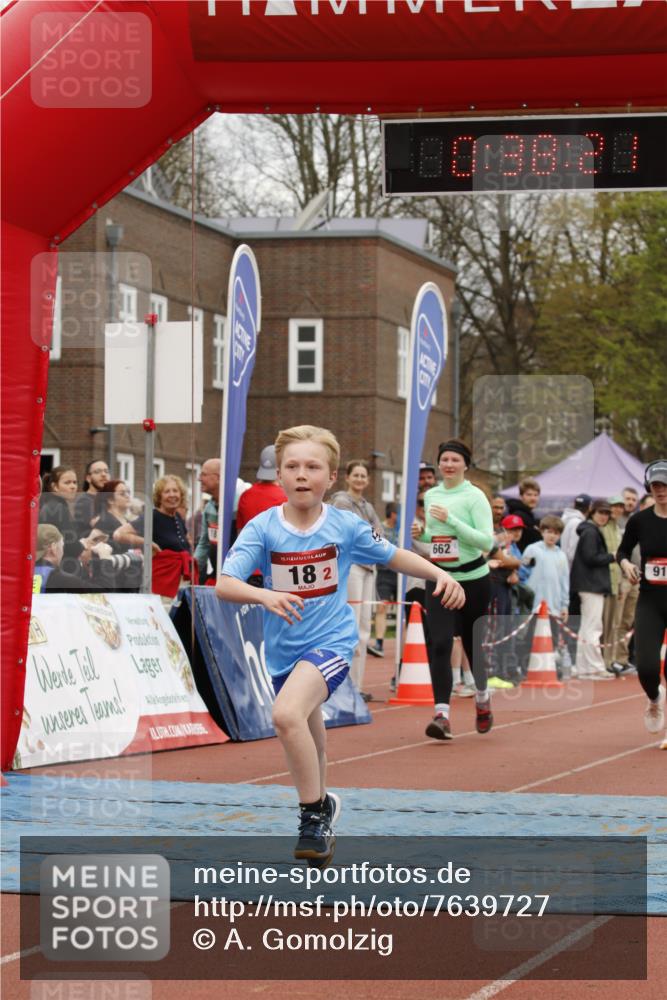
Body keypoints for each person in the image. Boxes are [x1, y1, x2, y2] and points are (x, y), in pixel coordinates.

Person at [216, 424, 464, 864]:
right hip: (282, 651)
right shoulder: (263, 527)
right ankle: (324, 807)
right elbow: (225, 583)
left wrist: (439, 573)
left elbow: (392, 554)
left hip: (330, 642)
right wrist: (265, 594)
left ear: (331, 477)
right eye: (292, 466)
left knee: (286, 715)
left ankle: (312, 816)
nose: (301, 474)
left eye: (312, 466)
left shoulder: (345, 525)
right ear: (280, 476)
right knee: (310, 736)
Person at [418, 439, 495, 739]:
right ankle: (442, 715)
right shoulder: (431, 495)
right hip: (440, 578)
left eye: (454, 460)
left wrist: (451, 519)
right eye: (444, 459)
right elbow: (437, 537)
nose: (448, 464)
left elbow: (486, 542)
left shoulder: (474, 497)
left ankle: (483, 699)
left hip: (473, 579)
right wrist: (422, 533)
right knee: (440, 644)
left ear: (465, 464)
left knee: (473, 646)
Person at [617, 460, 667, 750]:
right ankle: (654, 700)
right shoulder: (640, 521)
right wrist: (625, 564)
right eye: (656, 486)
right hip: (650, 600)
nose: (661, 491)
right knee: (646, 666)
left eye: (665, 486)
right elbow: (623, 550)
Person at [330, 459, 383, 702]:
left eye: (364, 476)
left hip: (369, 568)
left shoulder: (368, 506)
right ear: (347, 478)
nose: (360, 479)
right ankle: (343, 685)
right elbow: (352, 533)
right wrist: (368, 537)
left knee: (364, 629)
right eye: (356, 475)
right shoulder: (341, 502)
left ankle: (357, 686)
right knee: (349, 626)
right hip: (351, 566)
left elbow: (378, 534)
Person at [115, 474, 193, 599]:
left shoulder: (177, 517)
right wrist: (147, 543)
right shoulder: (152, 516)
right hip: (160, 586)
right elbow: (119, 534)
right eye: (167, 491)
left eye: (175, 491)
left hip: (179, 584)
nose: (172, 495)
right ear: (159, 497)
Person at [570, 500, 616, 681]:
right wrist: (612, 556)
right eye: (601, 512)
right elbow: (591, 557)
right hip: (591, 585)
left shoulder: (588, 530)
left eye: (607, 513)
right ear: (592, 512)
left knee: (586, 628)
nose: (604, 516)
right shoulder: (590, 532)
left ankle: (584, 668)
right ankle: (595, 668)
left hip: (587, 584)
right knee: (593, 627)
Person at [236, 445, 288, 586]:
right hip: (277, 569)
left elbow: (241, 534)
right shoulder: (285, 497)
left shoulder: (246, 495)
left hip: (249, 569)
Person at [39, 465, 101, 577]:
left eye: (75, 482)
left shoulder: (51, 505)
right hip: (64, 569)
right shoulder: (57, 508)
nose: (73, 486)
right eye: (67, 483)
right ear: (55, 487)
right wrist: (85, 544)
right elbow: (71, 545)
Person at [521, 514, 570, 644]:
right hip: (533, 606)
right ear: (542, 531)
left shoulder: (562, 555)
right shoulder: (532, 550)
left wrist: (564, 606)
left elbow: (564, 582)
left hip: (553, 606)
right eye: (549, 532)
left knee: (550, 641)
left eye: (556, 533)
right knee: (529, 639)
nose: (552, 536)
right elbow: (522, 574)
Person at [94, 480, 143, 590]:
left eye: (128, 492)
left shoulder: (126, 522)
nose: (127, 496)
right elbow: (97, 553)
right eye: (122, 493)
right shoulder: (104, 521)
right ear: (110, 500)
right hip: (115, 582)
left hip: (131, 579)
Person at [369, 502, 399, 657]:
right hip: (384, 574)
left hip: (401, 574)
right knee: (382, 607)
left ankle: (405, 645)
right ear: (393, 514)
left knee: (404, 610)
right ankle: (379, 643)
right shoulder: (381, 528)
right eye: (398, 513)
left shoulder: (403, 528)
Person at [600, 496, 625, 670]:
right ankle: (603, 661)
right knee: (603, 624)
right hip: (604, 582)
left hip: (616, 581)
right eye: (614, 507)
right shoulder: (603, 528)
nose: (617, 510)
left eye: (620, 507)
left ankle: (609, 660)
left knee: (613, 625)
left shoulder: (618, 529)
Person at [194, 458, 221, 583]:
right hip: (216, 575)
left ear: (218, 478)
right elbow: (204, 543)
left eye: (203, 475)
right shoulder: (209, 508)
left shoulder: (236, 504)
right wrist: (192, 569)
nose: (199, 479)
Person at [74, 459, 110, 534]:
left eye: (106, 471)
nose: (103, 474)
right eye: (97, 472)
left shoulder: (108, 500)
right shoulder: (84, 501)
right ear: (88, 478)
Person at [506, 478, 542, 550]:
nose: (533, 498)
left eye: (536, 495)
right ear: (521, 496)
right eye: (529, 495)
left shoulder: (529, 515)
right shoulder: (518, 516)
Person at [561, 494, 592, 569]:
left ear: (574, 505)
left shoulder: (565, 518)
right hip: (571, 569)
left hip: (563, 565)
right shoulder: (577, 523)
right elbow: (572, 553)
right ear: (590, 507)